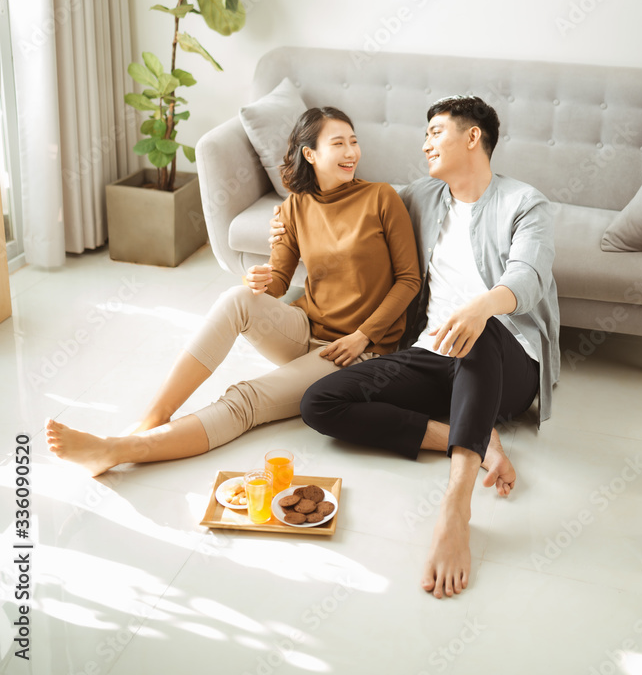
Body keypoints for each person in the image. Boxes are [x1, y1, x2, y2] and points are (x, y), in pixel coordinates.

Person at [283, 96, 559, 600]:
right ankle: (469, 435)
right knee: (319, 402)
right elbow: (354, 202)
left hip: (506, 357)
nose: (425, 142)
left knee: (476, 334)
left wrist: (483, 307)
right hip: (432, 354)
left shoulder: (525, 203)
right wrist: (287, 221)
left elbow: (530, 275)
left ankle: (455, 509)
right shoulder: (420, 197)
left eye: (435, 131)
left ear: (472, 137)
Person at [46, 106, 421, 476]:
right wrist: (259, 281)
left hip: (356, 353)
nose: (351, 152)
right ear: (311, 154)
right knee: (235, 299)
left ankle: (118, 450)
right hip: (307, 329)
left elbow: (409, 280)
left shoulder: (381, 197)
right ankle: (155, 416)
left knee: (245, 398)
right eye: (338, 143)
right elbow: (278, 281)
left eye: (354, 142)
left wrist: (363, 336)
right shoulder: (293, 209)